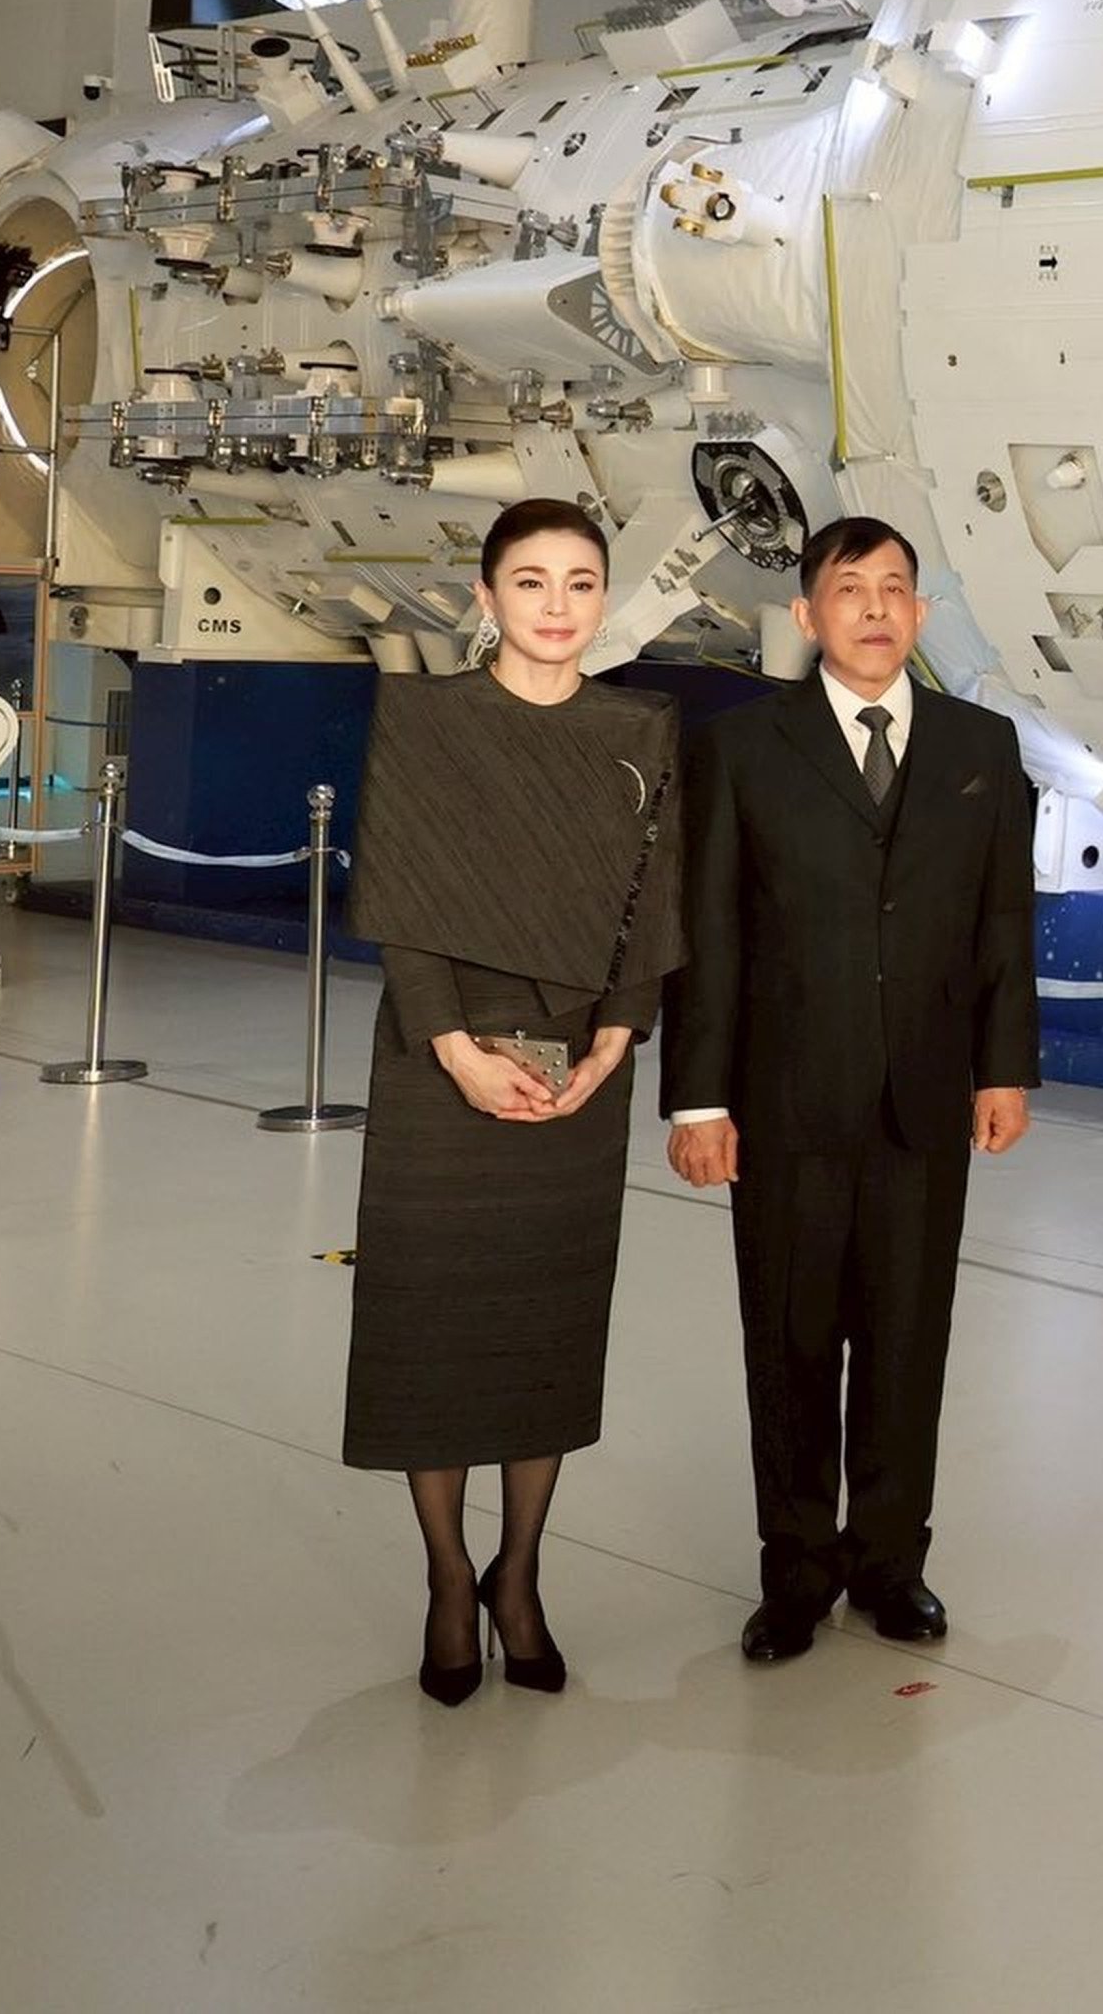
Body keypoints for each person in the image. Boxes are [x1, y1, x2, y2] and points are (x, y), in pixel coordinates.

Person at [666, 516, 1037, 1661]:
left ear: (920, 615)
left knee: (906, 1341)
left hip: (925, 1101)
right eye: (850, 588)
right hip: (781, 1107)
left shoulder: (983, 744)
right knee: (786, 1342)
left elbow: (1003, 924)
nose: (875, 608)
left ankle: (890, 1562)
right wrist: (697, 1099)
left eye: (895, 589)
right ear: (810, 615)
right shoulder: (741, 747)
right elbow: (710, 932)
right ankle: (795, 1573)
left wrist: (1005, 1065)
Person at [342, 496, 684, 1705]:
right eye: (529, 582)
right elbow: (401, 898)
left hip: (577, 1064)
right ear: (485, 597)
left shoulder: (641, 727)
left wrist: (612, 1045)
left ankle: (520, 1570)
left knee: (543, 1331)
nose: (556, 605)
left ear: (604, 598)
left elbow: (653, 907)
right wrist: (455, 1048)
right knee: (431, 1329)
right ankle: (446, 1575)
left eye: (580, 582)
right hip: (441, 1064)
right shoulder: (428, 721)